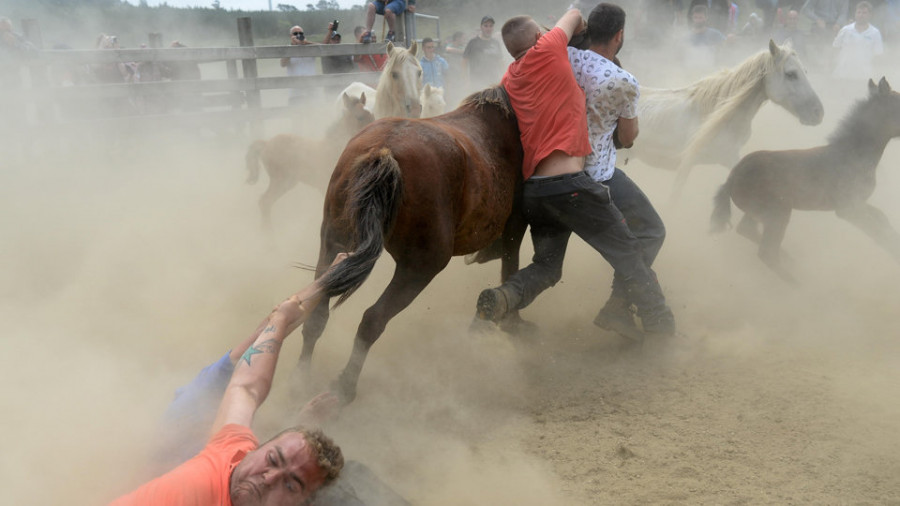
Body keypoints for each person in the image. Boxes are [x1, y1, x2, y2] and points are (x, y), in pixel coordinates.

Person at [474, 10, 676, 337]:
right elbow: (574, 14)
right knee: (630, 255)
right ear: (541, 40)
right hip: (572, 185)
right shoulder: (553, 53)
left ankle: (503, 297)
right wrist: (576, 27)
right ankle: (660, 330)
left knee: (547, 267)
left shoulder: (511, 78)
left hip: (534, 190)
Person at [110, 255, 348, 506]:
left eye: (290, 484)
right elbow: (252, 372)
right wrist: (322, 285)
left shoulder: (234, 448)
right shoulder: (220, 436)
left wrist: (299, 432)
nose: (268, 479)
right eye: (274, 459)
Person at [568, 3, 673, 339]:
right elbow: (627, 138)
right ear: (619, 36)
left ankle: (618, 306)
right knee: (653, 230)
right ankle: (618, 304)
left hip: (553, 167)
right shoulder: (623, 80)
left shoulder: (567, 57)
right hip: (597, 174)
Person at [832, 1, 883, 80]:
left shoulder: (875, 33)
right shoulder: (845, 30)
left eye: (864, 13)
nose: (861, 15)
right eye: (858, 12)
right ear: (855, 14)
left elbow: (878, 55)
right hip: (843, 74)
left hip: (864, 76)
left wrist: (876, 74)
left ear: (870, 15)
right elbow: (835, 48)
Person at [462, 16, 504, 90]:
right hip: (477, 81)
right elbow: (464, 62)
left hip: (493, 81)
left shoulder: (496, 43)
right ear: (481, 27)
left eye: (491, 26)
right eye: (486, 26)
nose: (488, 29)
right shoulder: (473, 42)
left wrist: (503, 79)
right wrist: (466, 80)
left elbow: (500, 62)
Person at [281, 25, 316, 106]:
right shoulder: (287, 48)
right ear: (291, 36)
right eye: (295, 33)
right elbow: (282, 64)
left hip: (311, 91)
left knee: (314, 114)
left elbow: (325, 48)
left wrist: (306, 43)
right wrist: (292, 47)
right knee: (296, 115)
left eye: (300, 33)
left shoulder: (311, 47)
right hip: (295, 93)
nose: (298, 35)